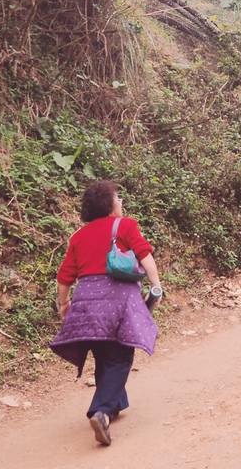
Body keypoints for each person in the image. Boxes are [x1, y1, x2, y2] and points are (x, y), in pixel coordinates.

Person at [50, 180, 163, 446]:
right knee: (121, 357)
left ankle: (114, 405)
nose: (121, 202)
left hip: (86, 303)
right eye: (118, 198)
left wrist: (63, 304)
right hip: (118, 301)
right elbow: (144, 254)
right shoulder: (124, 226)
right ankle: (101, 411)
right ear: (109, 205)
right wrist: (156, 285)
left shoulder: (78, 236)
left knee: (104, 355)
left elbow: (65, 275)